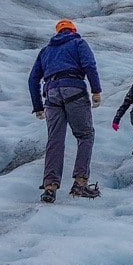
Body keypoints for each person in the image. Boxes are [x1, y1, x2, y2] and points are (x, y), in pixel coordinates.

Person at [28, 18, 102, 203]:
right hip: (74, 90)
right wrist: (96, 90)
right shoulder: (78, 43)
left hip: (51, 94)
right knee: (85, 135)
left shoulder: (46, 51)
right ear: (73, 30)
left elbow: (33, 79)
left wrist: (37, 106)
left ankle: (50, 187)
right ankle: (80, 183)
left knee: (55, 140)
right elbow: (89, 66)